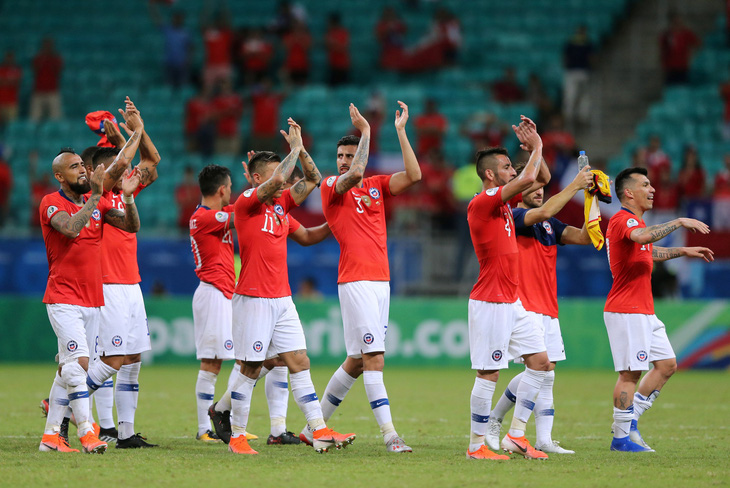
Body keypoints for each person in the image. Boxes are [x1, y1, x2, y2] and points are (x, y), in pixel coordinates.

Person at [216, 118, 354, 455]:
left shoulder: (281, 207)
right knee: (249, 368)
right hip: (252, 298)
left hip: (282, 298)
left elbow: (313, 182)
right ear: (259, 177)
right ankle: (236, 436)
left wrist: (338, 224)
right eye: (277, 175)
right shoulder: (247, 202)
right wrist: (292, 149)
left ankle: (318, 430)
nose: (285, 181)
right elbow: (280, 179)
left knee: (299, 360)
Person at [301, 101, 421, 453]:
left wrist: (399, 132)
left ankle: (313, 429)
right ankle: (390, 436)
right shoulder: (330, 187)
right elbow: (352, 175)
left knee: (356, 361)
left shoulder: (377, 186)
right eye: (340, 154)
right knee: (374, 359)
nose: (343, 160)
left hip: (380, 282)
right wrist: (367, 131)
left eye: (350, 154)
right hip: (356, 281)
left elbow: (414, 176)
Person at [38, 139, 143, 453]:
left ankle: (50, 437)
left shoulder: (96, 203)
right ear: (59, 176)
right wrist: (96, 196)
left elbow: (130, 226)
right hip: (62, 296)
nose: (82, 171)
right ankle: (87, 431)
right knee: (79, 364)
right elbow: (70, 228)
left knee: (68, 369)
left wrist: (126, 197)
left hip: (93, 300)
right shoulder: (50, 202)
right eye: (74, 168)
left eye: (82, 167)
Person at [485, 165, 594, 455]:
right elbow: (544, 211)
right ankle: (499, 421)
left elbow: (584, 237)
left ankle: (542, 438)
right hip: (524, 304)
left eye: (541, 187)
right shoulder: (514, 215)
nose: (538, 191)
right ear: (519, 190)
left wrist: (591, 198)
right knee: (542, 368)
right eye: (532, 187)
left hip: (548, 306)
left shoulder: (550, 225)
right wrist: (575, 185)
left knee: (547, 373)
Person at [604, 167, 713, 452]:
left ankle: (632, 423)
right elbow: (641, 239)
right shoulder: (621, 220)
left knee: (667, 365)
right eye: (645, 185)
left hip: (644, 310)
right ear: (629, 192)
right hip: (626, 309)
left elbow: (647, 251)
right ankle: (621, 438)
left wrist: (682, 252)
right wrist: (677, 221)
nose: (652, 190)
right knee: (630, 374)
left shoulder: (635, 223)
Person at [464, 116, 552, 461]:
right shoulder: (483, 203)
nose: (512, 171)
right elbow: (530, 177)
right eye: (506, 167)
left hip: (512, 301)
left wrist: (534, 151)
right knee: (490, 372)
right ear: (490, 175)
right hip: (490, 301)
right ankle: (476, 447)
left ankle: (516, 435)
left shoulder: (504, 206)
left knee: (541, 363)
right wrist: (539, 145)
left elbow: (540, 178)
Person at [83, 99, 161, 449]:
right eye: (111, 164)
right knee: (111, 358)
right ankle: (68, 404)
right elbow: (125, 164)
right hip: (107, 285)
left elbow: (152, 163)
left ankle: (125, 433)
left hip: (131, 283)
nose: (121, 169)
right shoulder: (96, 195)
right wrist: (132, 133)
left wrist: (137, 128)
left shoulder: (123, 194)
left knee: (132, 358)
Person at [189, 164, 240, 443]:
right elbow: (241, 213)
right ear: (222, 189)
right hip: (212, 294)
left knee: (225, 360)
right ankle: (204, 428)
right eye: (230, 187)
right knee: (211, 363)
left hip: (222, 293)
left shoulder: (213, 216)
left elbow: (241, 210)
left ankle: (222, 418)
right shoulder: (202, 218)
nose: (232, 191)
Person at [562, 25, 593, 127]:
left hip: (577, 72)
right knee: (577, 97)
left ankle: (575, 118)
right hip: (579, 72)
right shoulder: (585, 43)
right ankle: (577, 118)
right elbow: (592, 59)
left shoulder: (581, 43)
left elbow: (565, 59)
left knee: (575, 96)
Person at [659, 12, 700, 85]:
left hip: (683, 67)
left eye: (679, 22)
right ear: (672, 23)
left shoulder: (687, 34)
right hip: (670, 67)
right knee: (670, 88)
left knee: (682, 87)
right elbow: (662, 49)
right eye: (675, 22)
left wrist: (693, 56)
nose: (678, 24)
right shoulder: (667, 35)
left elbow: (697, 44)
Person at [30, 38, 63, 121]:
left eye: (49, 45)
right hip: (39, 89)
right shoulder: (38, 58)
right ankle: (32, 132)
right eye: (46, 45)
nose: (47, 47)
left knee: (56, 116)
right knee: (35, 116)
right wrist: (43, 58)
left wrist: (50, 59)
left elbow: (58, 71)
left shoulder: (56, 58)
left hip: (52, 89)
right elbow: (35, 69)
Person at [325, 12, 351, 86]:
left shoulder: (343, 32)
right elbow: (327, 46)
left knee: (344, 87)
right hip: (332, 65)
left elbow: (344, 47)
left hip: (343, 65)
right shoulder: (329, 33)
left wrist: (334, 44)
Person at [0, 50, 22, 126]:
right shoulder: (1, 69)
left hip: (12, 102)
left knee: (12, 125)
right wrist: (10, 82)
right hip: (1, 101)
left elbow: (17, 83)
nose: (9, 60)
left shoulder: (16, 70)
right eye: (7, 58)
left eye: (11, 58)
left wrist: (4, 81)